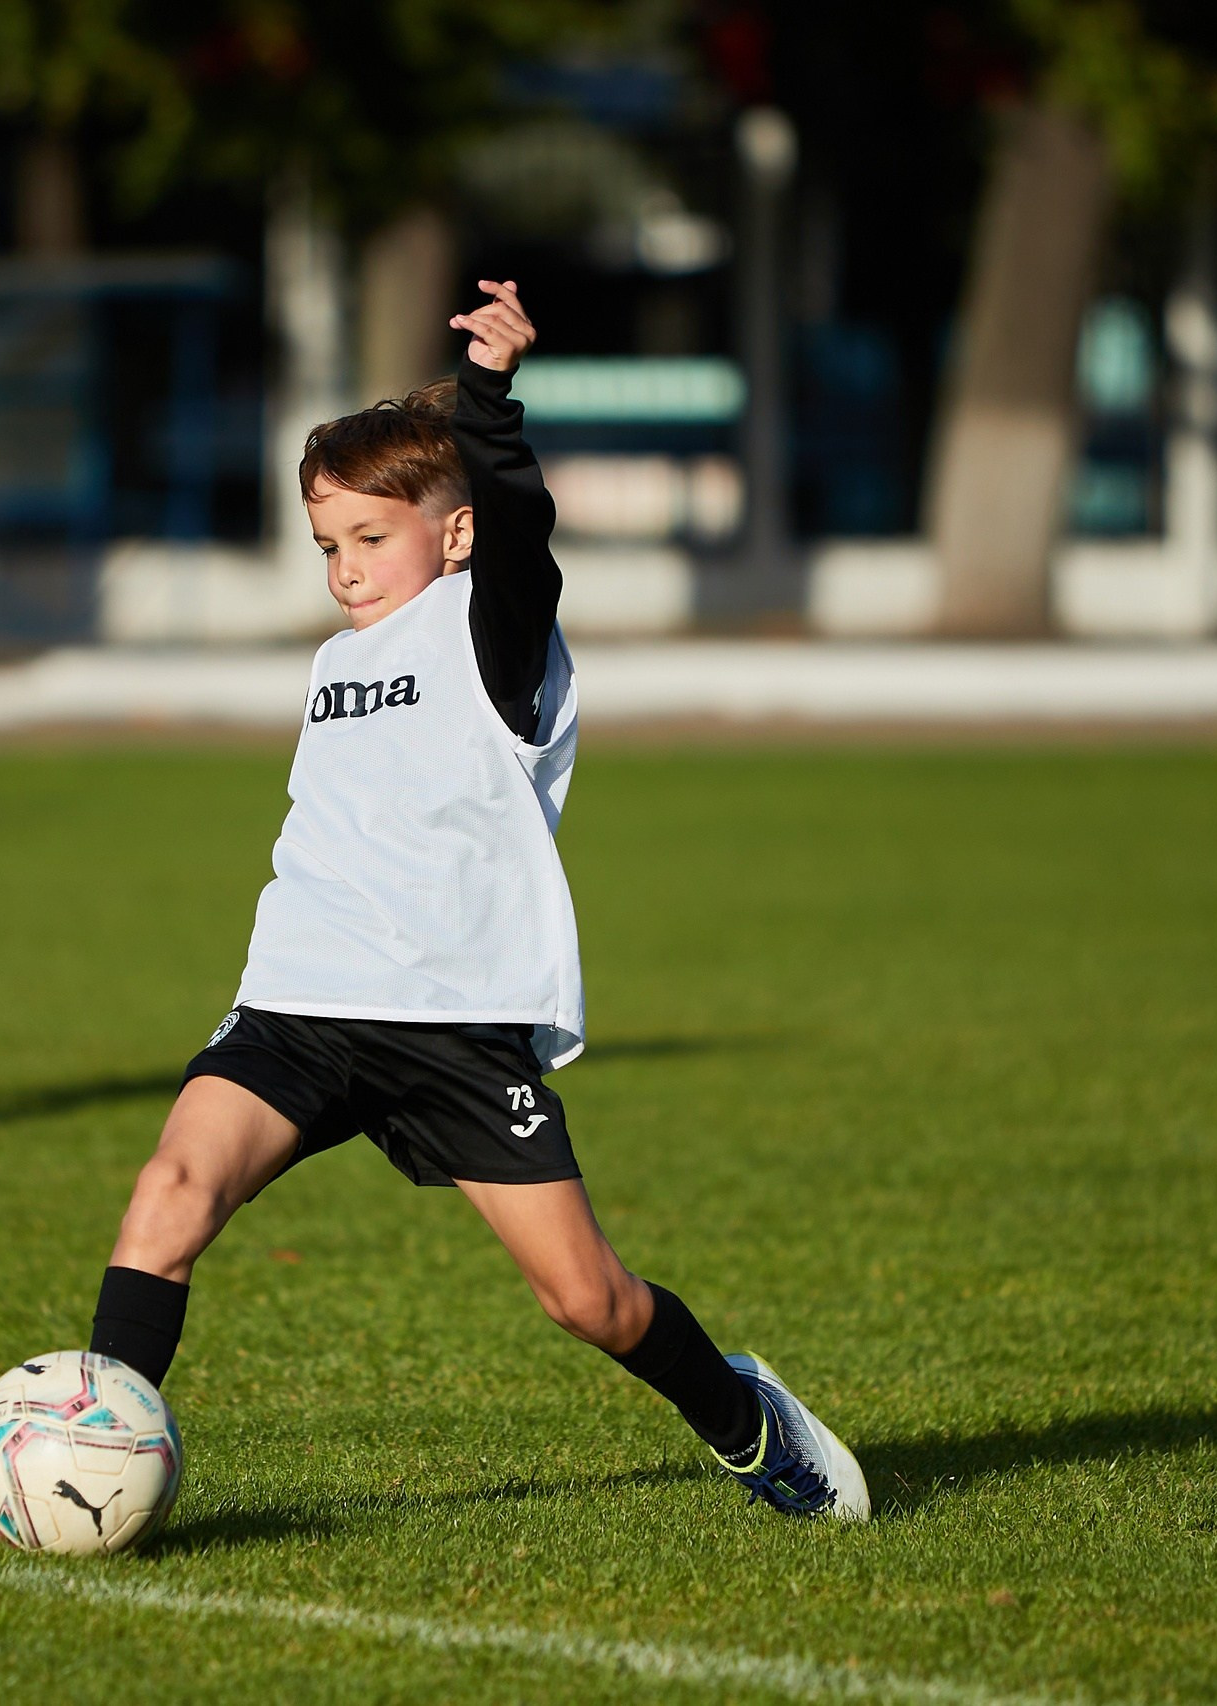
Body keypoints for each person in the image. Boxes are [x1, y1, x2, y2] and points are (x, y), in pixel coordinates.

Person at [77, 282, 870, 1520]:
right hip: (298, 996)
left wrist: (491, 400)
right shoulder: (338, 659)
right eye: (326, 544)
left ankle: (739, 1416)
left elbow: (519, 516)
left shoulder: (493, 634)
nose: (342, 570)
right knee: (170, 1190)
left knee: (586, 1299)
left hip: (450, 1014)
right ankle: (89, 1447)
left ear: (450, 538)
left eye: (367, 540)